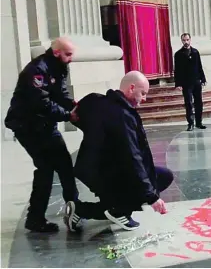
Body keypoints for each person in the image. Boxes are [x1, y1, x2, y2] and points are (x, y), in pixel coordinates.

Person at [64, 71, 174, 232]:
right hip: (103, 173)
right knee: (125, 204)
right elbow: (132, 157)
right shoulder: (123, 115)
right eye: (143, 93)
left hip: (98, 167)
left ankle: (89, 209)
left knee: (162, 176)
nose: (144, 99)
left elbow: (77, 114)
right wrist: (152, 197)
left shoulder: (97, 100)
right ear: (131, 88)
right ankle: (89, 210)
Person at [4, 37, 79, 233]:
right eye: (68, 54)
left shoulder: (58, 67)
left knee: (64, 165)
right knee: (45, 169)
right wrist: (67, 115)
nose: (71, 58)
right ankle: (35, 219)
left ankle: (76, 208)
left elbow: (60, 94)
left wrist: (74, 106)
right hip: (27, 127)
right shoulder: (36, 70)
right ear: (56, 52)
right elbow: (41, 103)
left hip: (45, 126)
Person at [174, 33, 207, 131]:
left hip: (196, 81)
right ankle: (190, 123)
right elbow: (177, 70)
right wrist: (178, 83)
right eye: (184, 40)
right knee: (188, 103)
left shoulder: (195, 52)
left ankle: (199, 122)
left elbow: (199, 66)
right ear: (182, 41)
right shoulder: (178, 54)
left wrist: (203, 78)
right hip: (186, 82)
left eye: (187, 40)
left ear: (190, 40)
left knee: (198, 102)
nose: (186, 42)